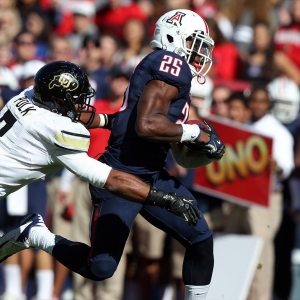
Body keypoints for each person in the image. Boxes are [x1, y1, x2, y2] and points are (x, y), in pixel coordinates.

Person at [1, 10, 225, 300]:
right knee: (102, 267)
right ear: (174, 37)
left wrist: (102, 120)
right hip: (120, 177)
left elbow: (128, 120)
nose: (200, 51)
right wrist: (194, 134)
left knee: (201, 239)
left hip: (151, 172)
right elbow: (146, 126)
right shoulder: (172, 64)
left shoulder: (29, 94)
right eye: (195, 41)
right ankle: (35, 234)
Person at [0, 60, 202, 259]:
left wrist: (110, 121)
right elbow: (111, 180)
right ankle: (26, 236)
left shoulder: (27, 95)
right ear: (60, 101)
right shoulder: (54, 130)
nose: (83, 104)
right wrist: (166, 199)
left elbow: (71, 114)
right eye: (77, 99)